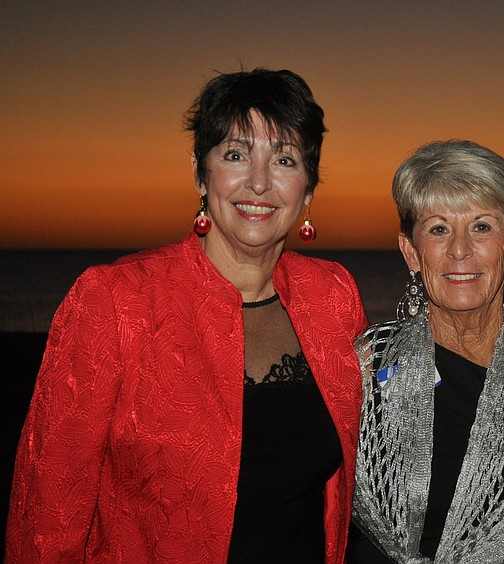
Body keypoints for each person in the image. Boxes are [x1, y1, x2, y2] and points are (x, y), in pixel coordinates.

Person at [5, 68, 368, 563]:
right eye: (235, 155)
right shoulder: (115, 300)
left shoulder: (333, 296)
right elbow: (47, 515)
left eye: (284, 159)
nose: (259, 182)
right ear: (200, 173)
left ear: (307, 188)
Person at [346, 140, 504, 563]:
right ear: (411, 252)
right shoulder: (369, 362)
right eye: (439, 228)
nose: (459, 250)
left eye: (481, 227)